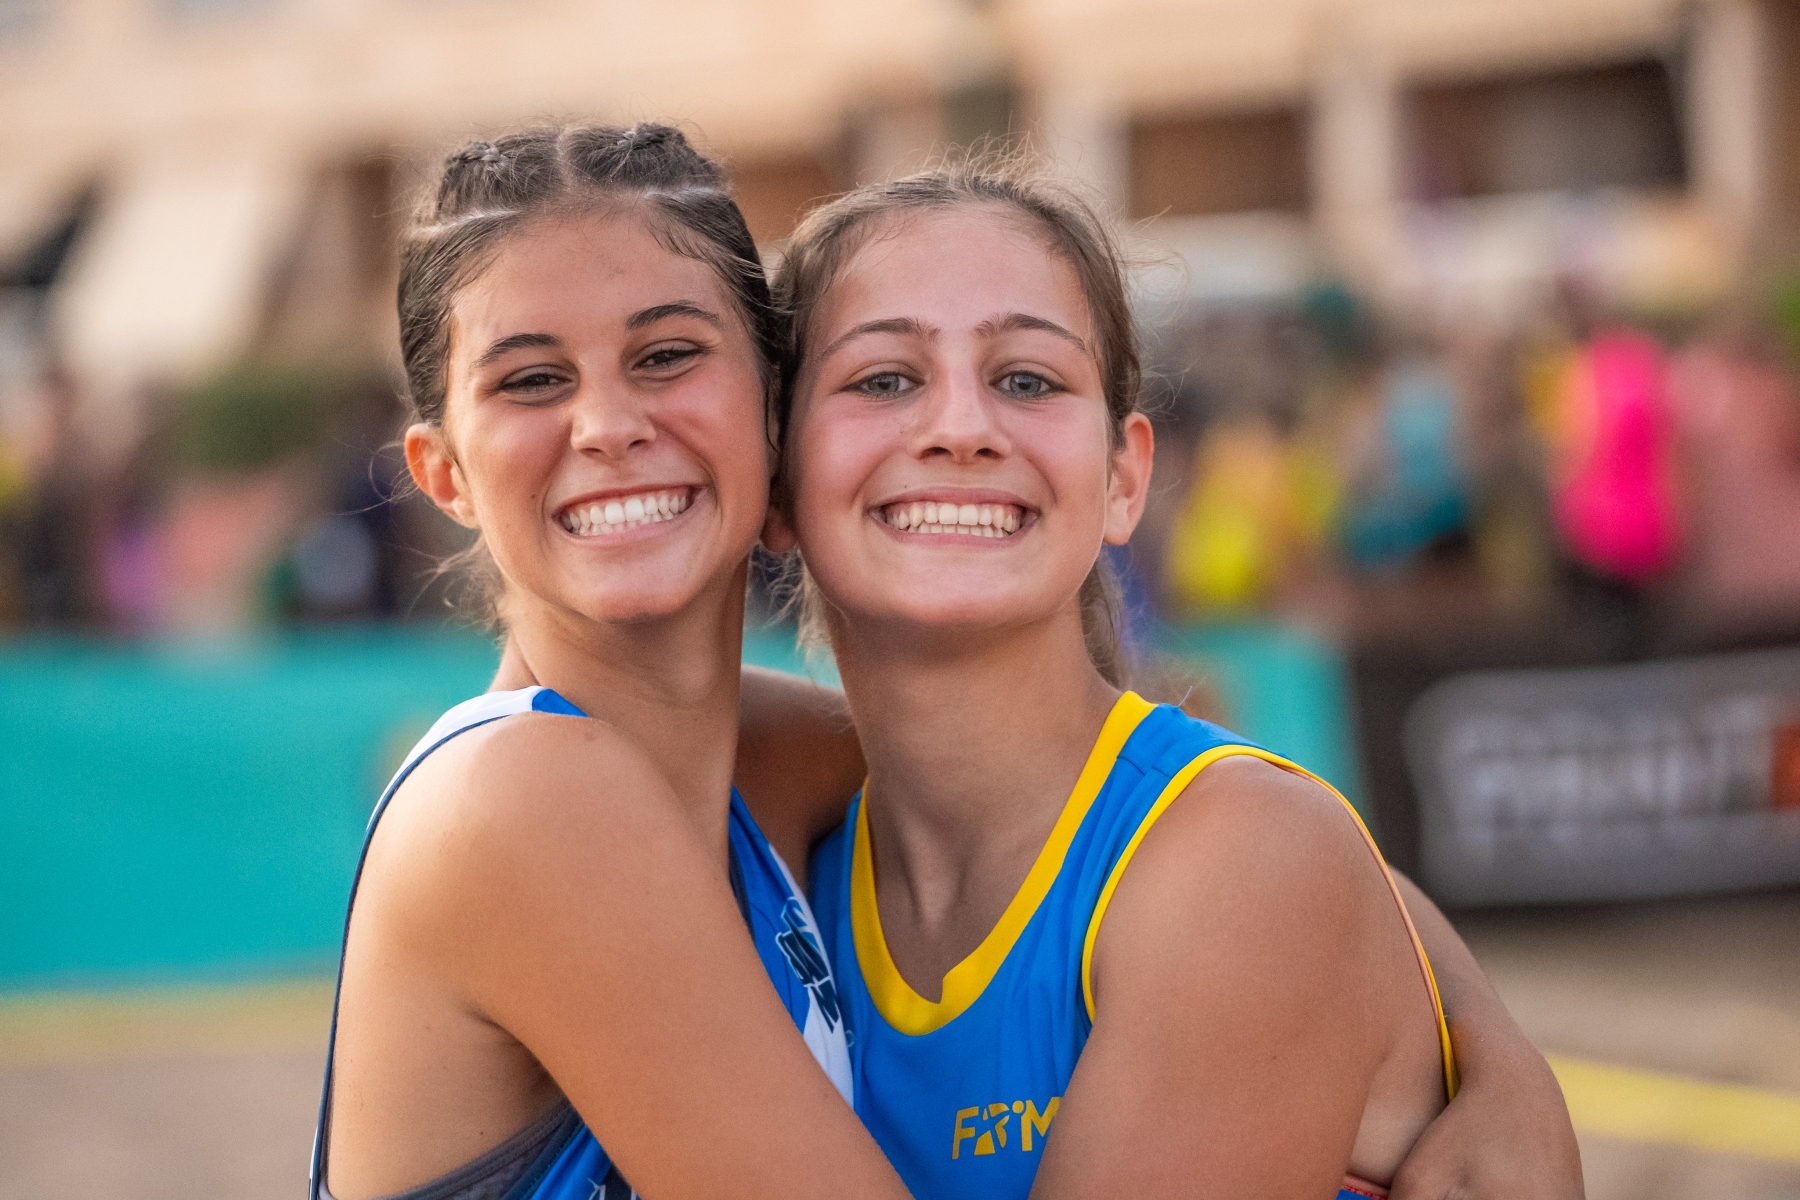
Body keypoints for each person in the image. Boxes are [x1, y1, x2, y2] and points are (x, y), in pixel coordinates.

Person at [318, 121, 1575, 1200]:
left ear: (763, 431)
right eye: (531, 379)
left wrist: (1480, 1041)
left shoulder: (772, 776)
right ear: (442, 472)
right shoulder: (543, 797)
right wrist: (1493, 1055)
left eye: (665, 356)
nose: (609, 424)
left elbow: (1251, 849)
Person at [769, 162, 1580, 1199]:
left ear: (1124, 477)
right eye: (883, 379)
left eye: (1028, 378)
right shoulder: (785, 844)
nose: (961, 426)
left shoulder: (1240, 856)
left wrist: (1489, 1041)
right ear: (775, 478)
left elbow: (1287, 855)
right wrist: (1488, 1030)